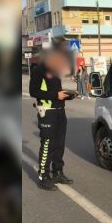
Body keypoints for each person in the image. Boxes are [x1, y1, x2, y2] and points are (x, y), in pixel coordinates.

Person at [29, 46, 76, 190]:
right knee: (47, 144)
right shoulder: (38, 70)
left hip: (60, 111)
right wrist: (56, 96)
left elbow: (56, 92)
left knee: (59, 144)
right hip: (47, 112)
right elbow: (33, 91)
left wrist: (68, 95)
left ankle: (57, 172)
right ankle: (44, 176)